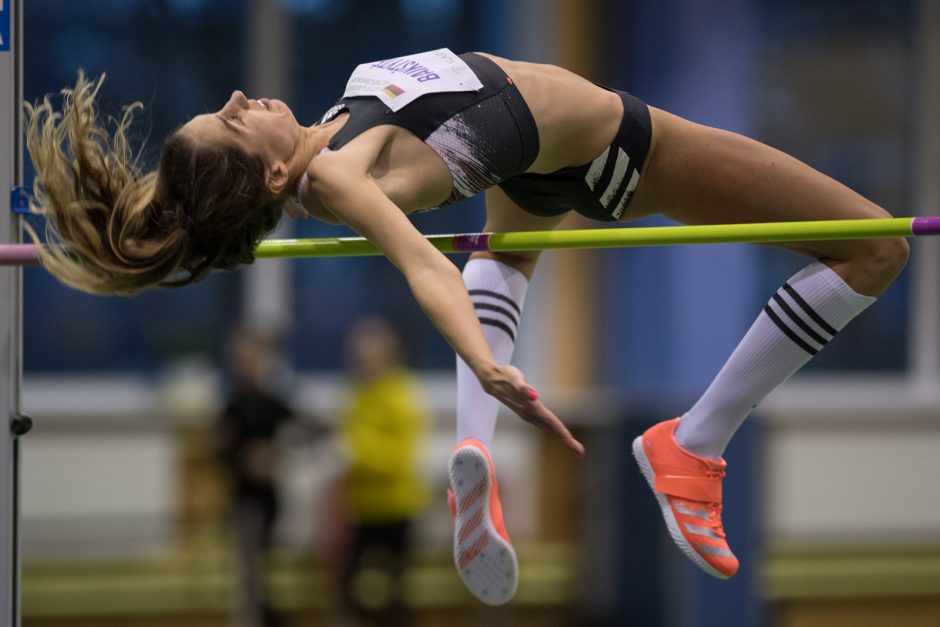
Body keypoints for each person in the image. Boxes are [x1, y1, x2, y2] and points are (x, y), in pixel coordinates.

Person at [25, 49, 908, 604]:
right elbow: (421, 265)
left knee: (507, 259)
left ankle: (470, 460)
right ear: (265, 178)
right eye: (230, 120)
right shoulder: (334, 174)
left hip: (536, 170)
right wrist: (485, 362)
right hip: (618, 150)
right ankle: (694, 444)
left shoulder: (334, 138)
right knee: (873, 249)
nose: (237, 95)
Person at [336, 316, 430, 626]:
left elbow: (400, 459)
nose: (360, 355)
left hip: (396, 507)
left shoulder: (402, 395)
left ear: (389, 352)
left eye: (368, 348)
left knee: (395, 594)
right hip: (363, 508)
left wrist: (357, 454)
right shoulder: (358, 392)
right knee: (352, 592)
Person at [216, 328, 293, 627]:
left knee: (267, 569)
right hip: (244, 498)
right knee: (248, 571)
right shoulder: (232, 405)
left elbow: (307, 429)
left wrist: (277, 454)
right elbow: (221, 449)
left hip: (271, 497)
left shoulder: (273, 402)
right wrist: (245, 460)